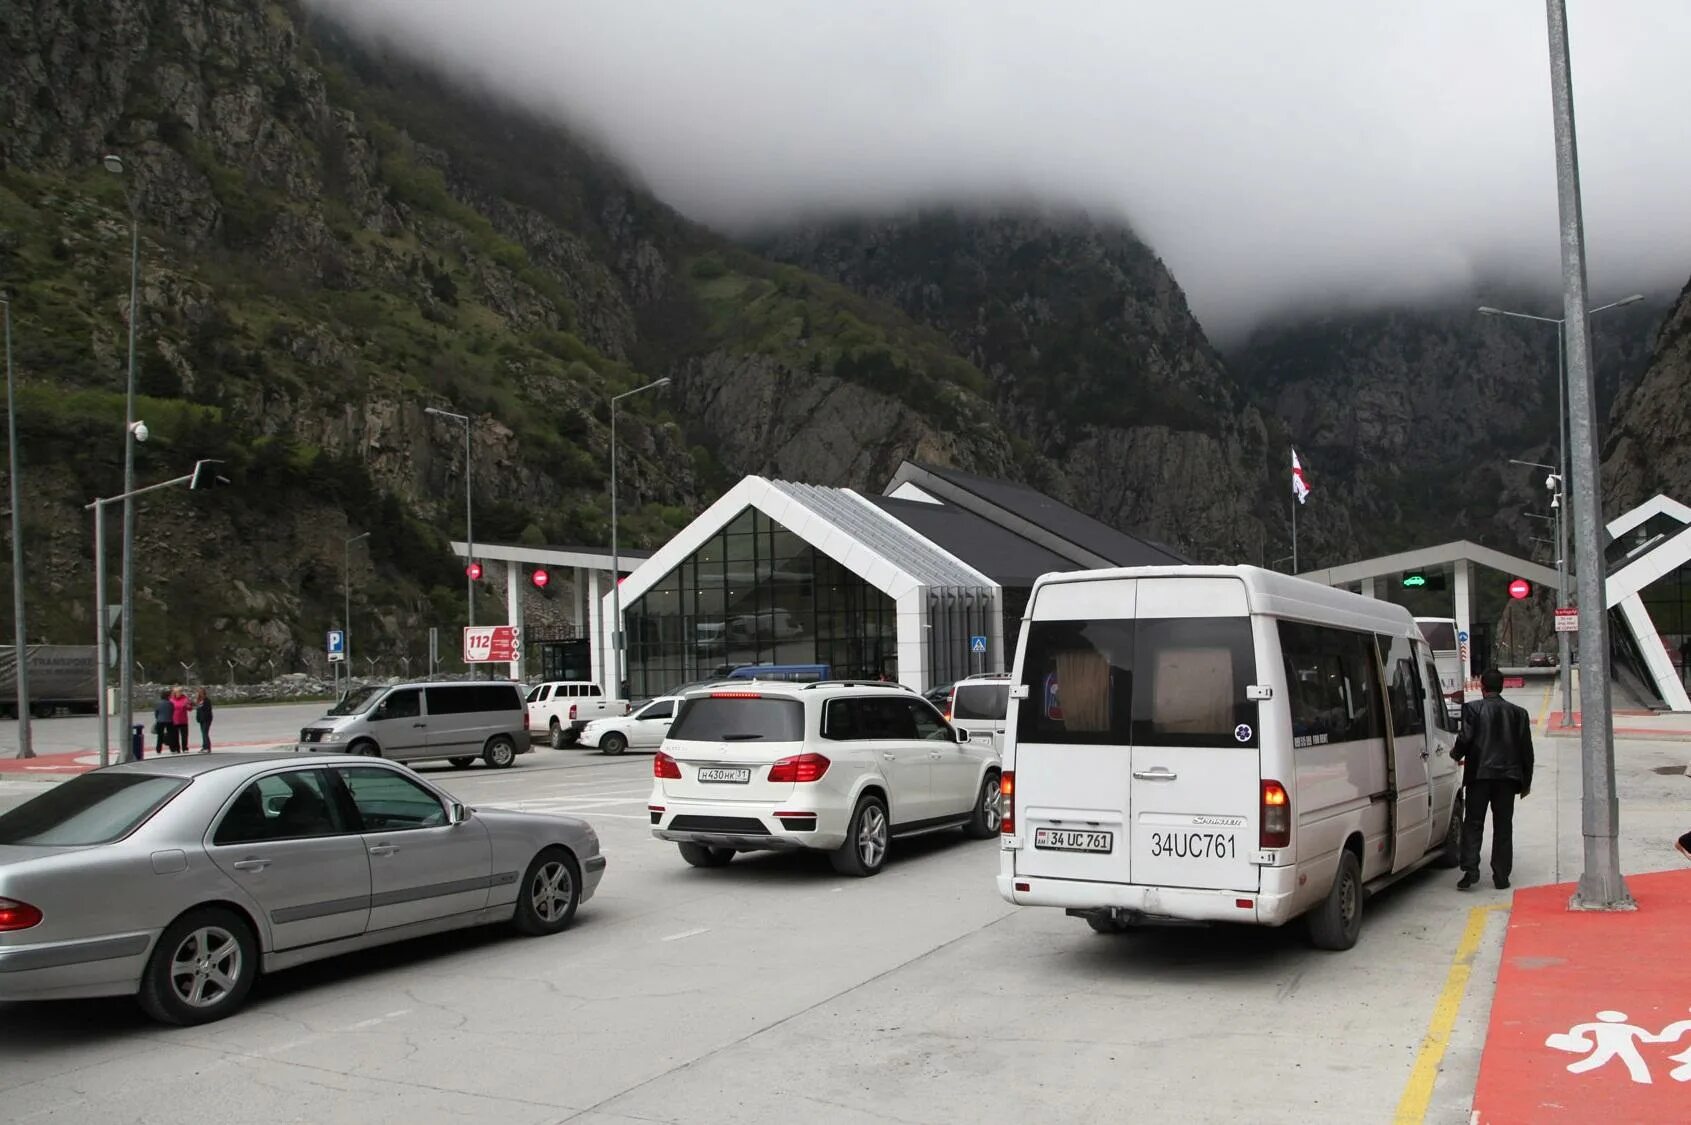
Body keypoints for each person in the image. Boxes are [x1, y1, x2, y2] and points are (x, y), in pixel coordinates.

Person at [1452, 667, 1535, 890]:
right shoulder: (1519, 714)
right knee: (1503, 826)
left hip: (1479, 776)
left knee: (1473, 823)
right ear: (1502, 686)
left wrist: (1455, 754)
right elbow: (1527, 751)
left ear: (1482, 687)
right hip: (1507, 778)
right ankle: (1501, 876)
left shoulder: (1472, 709)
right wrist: (1525, 782)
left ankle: (1470, 871)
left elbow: (1465, 738)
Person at [171, 686, 192, 756]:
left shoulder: (185, 699)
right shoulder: (171, 700)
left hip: (183, 720)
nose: (179, 693)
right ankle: (177, 748)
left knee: (184, 736)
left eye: (180, 691)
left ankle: (185, 748)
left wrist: (188, 706)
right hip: (174, 721)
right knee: (175, 736)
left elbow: (190, 708)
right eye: (177, 692)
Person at [153, 689, 175, 754]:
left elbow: (156, 713)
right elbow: (172, 711)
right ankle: (172, 749)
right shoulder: (170, 703)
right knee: (170, 734)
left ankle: (158, 749)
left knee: (160, 735)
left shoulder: (158, 703)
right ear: (167, 696)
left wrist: (158, 718)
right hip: (169, 720)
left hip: (160, 720)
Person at [195, 687, 214, 753]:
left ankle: (207, 747)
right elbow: (198, 711)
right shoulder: (199, 701)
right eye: (198, 693)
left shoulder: (206, 700)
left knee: (205, 733)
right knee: (203, 733)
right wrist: (198, 718)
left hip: (206, 719)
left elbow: (208, 710)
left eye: (200, 693)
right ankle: (204, 746)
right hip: (201, 720)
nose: (199, 694)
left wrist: (205, 717)